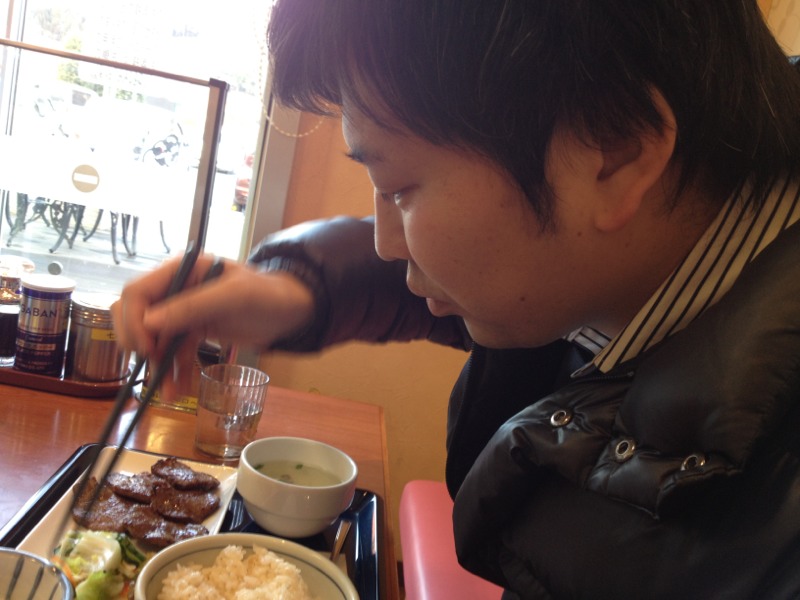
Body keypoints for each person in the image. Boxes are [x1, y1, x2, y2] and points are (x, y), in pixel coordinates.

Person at [112, 1, 800, 597]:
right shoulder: (634, 258)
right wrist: (295, 291)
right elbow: (483, 272)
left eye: (400, 188)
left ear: (615, 149)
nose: (386, 243)